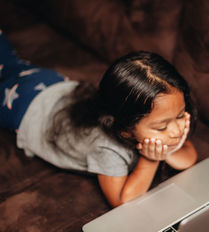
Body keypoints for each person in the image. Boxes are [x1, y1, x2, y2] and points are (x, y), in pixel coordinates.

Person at [0, 30, 197, 207]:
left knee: (11, 64)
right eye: (162, 127)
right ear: (125, 129)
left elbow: (188, 159)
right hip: (24, 107)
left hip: (49, 84)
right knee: (8, 64)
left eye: (180, 115)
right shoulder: (106, 147)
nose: (176, 130)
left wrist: (167, 147)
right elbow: (122, 201)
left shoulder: (158, 119)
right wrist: (150, 159)